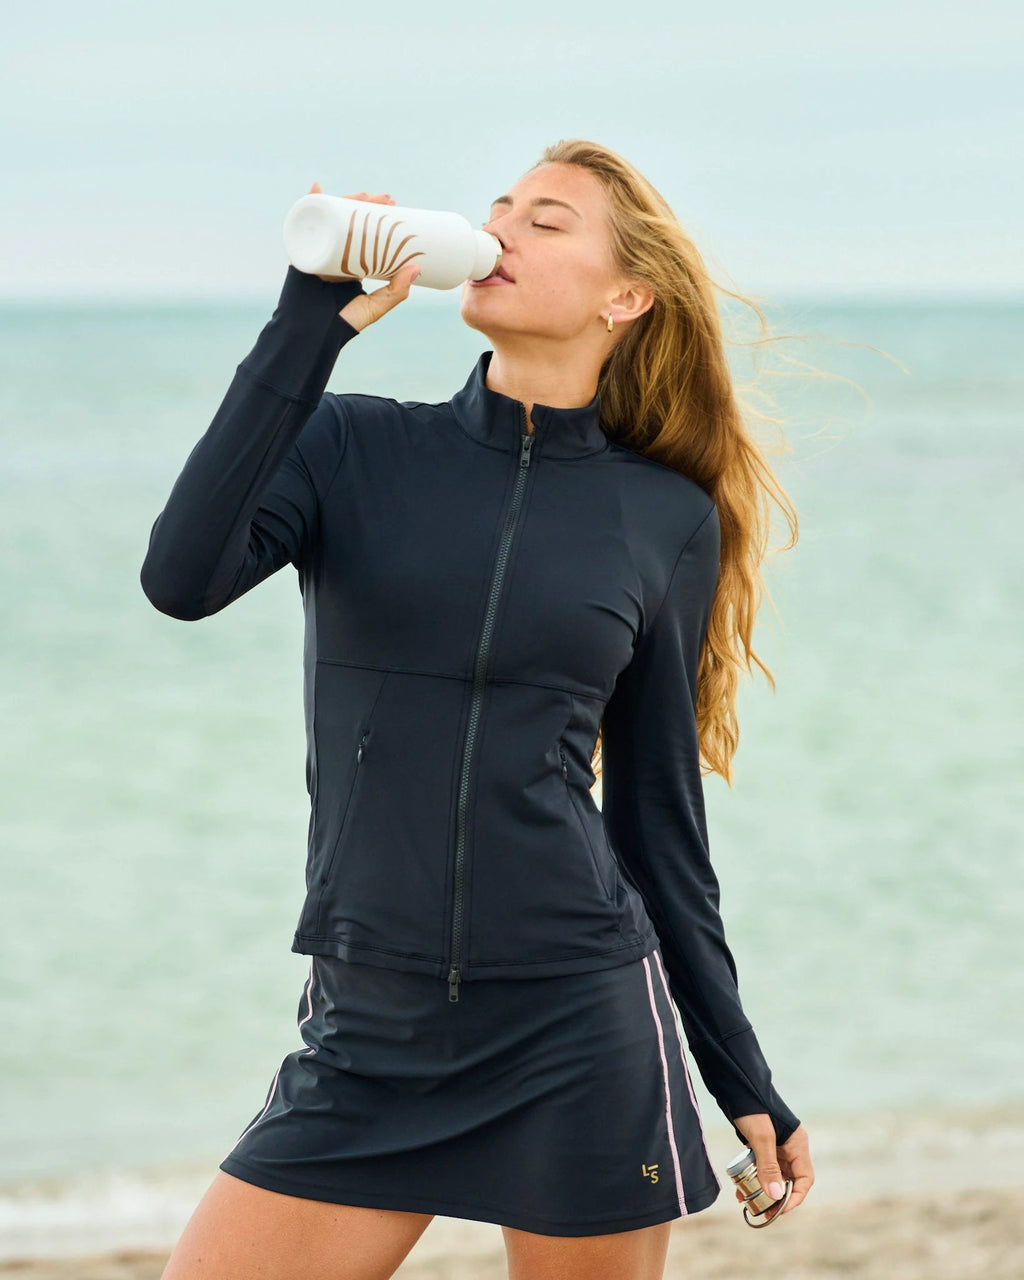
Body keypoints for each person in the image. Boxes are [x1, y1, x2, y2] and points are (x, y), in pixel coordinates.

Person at [144, 140, 814, 1280]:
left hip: (577, 1020)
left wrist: (736, 1069)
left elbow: (656, 818)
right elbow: (181, 577)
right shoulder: (351, 441)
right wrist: (307, 324)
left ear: (626, 293)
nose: (501, 228)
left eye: (546, 220)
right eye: (499, 207)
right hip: (371, 1020)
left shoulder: (664, 518)